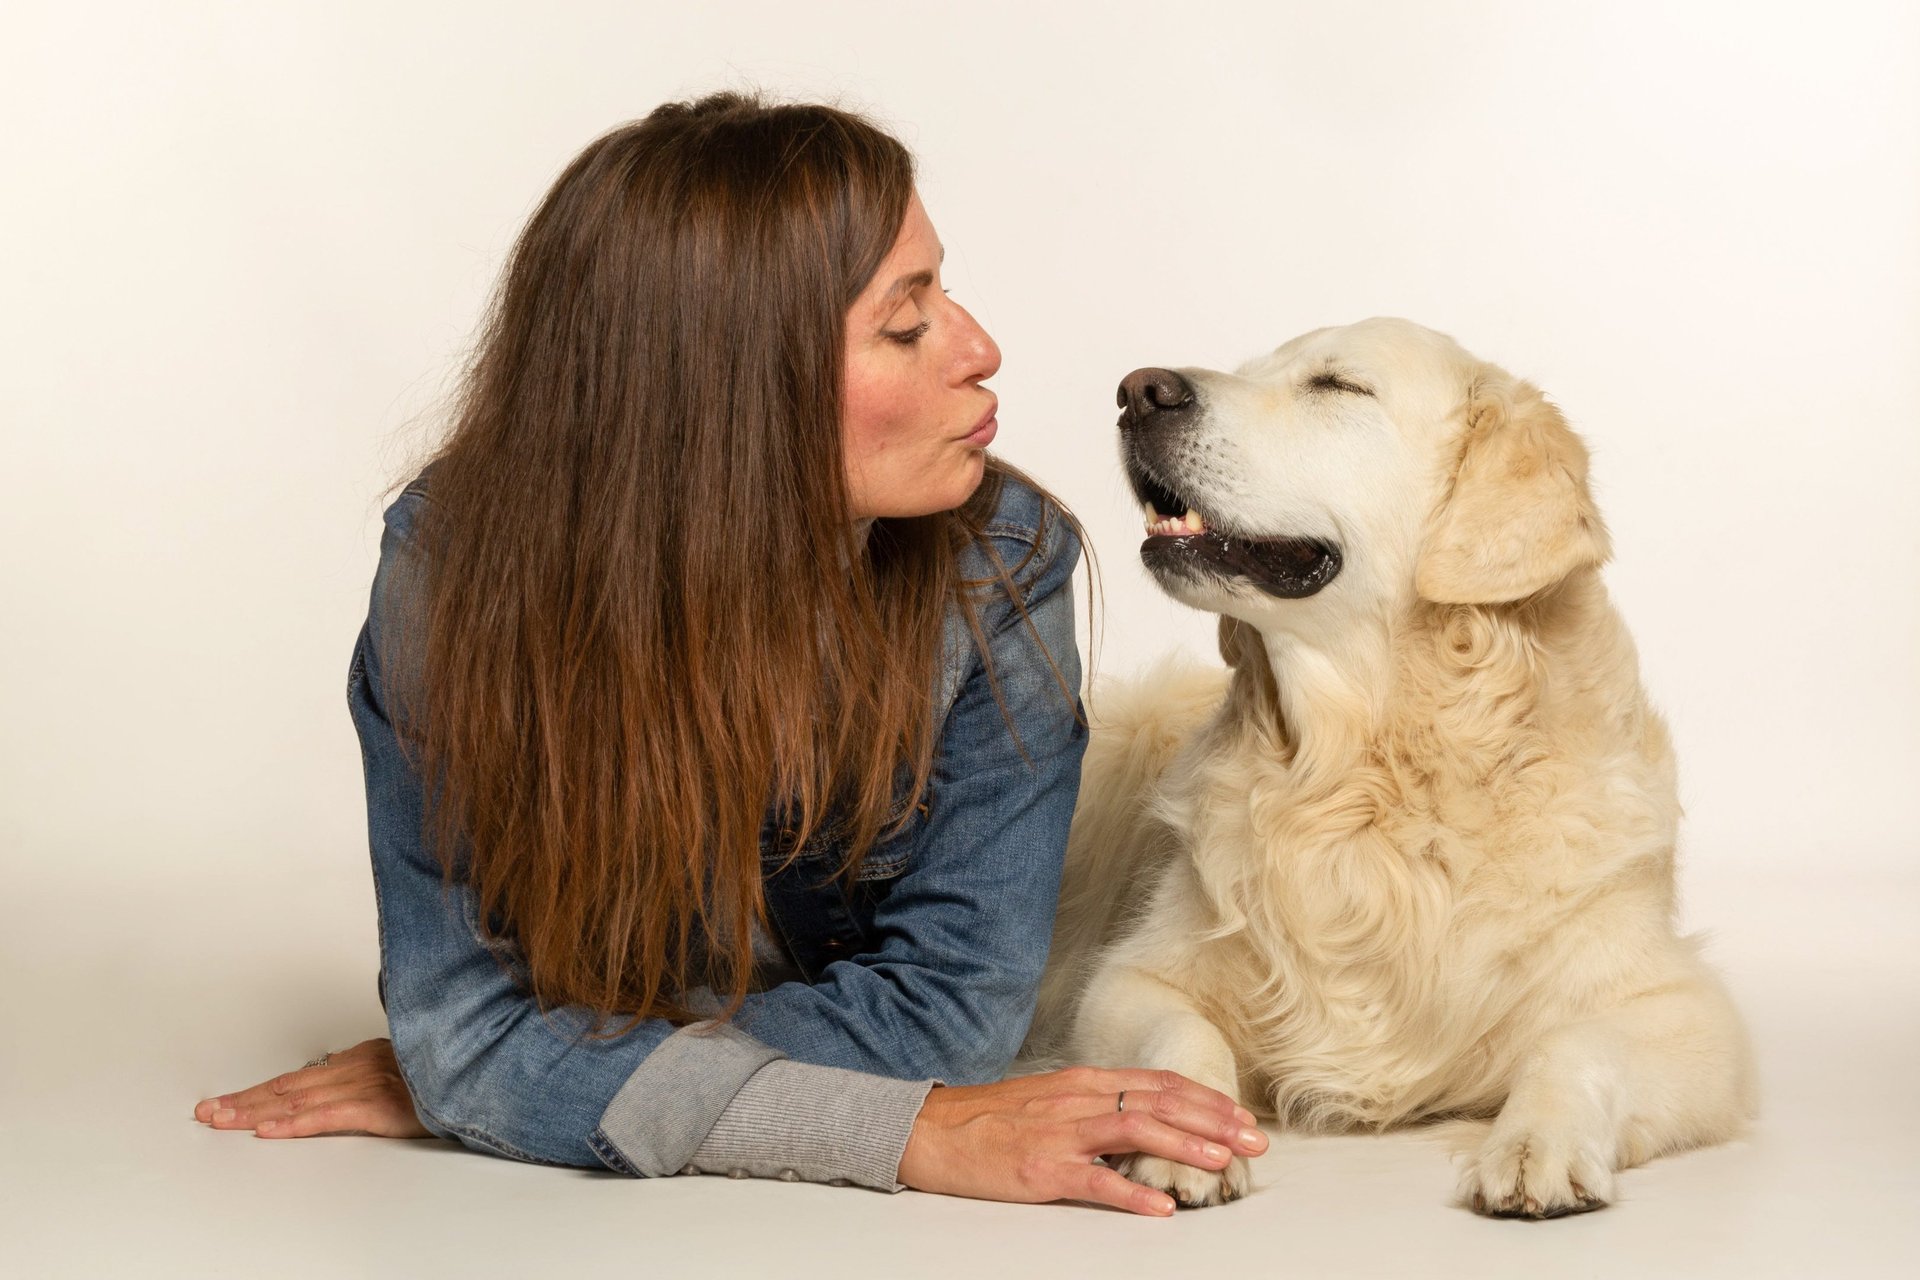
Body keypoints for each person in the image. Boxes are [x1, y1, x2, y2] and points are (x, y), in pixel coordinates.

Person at [192, 93, 1268, 1215]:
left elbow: (953, 1010)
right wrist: (899, 1132)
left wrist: (542, 1081)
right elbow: (469, 1043)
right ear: (730, 387)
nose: (982, 348)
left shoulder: (1001, 565)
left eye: (945, 289)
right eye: (907, 323)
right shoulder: (452, 573)